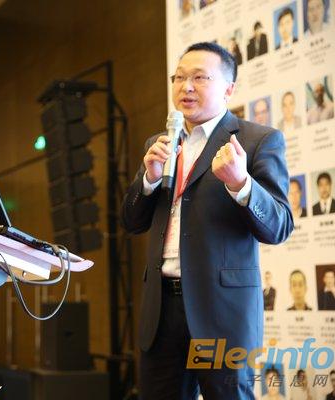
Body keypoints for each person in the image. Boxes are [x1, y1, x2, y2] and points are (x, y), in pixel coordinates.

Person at [121, 42, 292, 399]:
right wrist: (149, 180)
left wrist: (241, 184)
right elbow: (132, 222)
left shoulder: (257, 140)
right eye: (179, 78)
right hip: (161, 310)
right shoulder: (161, 143)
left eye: (199, 78)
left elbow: (279, 225)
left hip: (222, 312)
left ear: (228, 89)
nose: (186, 87)